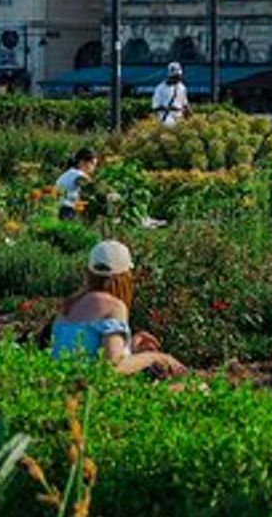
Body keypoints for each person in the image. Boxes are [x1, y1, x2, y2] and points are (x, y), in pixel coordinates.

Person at [50, 240, 186, 376]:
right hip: (88, 387)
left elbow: (87, 348)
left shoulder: (70, 303)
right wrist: (156, 357)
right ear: (124, 276)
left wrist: (130, 346)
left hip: (60, 382)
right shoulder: (114, 307)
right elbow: (114, 367)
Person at [54, 148, 99, 222]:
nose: (93, 168)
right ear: (82, 162)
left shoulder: (69, 173)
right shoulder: (78, 174)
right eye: (92, 164)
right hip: (67, 211)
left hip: (57, 208)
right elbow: (90, 187)